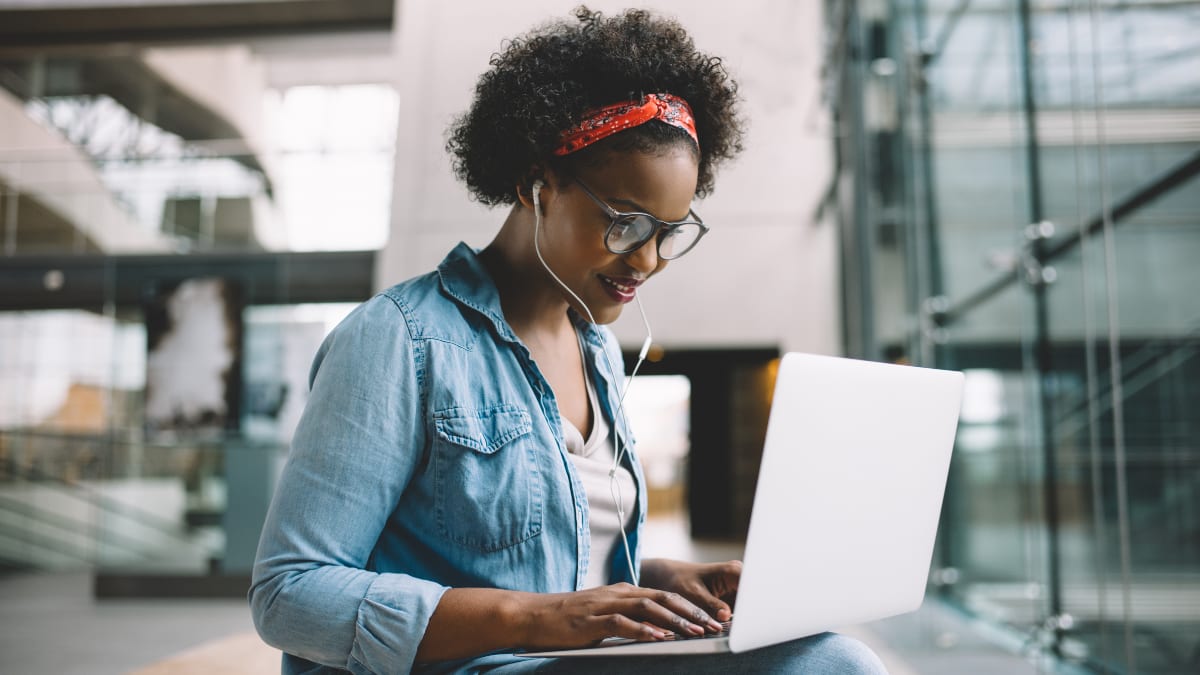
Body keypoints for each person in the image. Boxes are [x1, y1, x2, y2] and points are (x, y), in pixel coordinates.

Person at [249, 7, 888, 675]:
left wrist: (659, 583)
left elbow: (557, 552)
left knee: (825, 657)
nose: (647, 261)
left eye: (670, 231)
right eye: (626, 224)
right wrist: (537, 618)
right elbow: (289, 592)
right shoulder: (397, 341)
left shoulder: (598, 352)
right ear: (537, 185)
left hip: (567, 661)